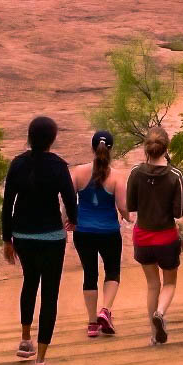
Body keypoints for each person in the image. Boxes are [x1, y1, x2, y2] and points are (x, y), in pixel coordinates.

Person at [2, 116, 77, 365]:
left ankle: (25, 339)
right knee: (50, 294)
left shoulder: (17, 164)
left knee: (29, 283)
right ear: (52, 138)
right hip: (51, 236)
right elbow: (70, 199)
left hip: (22, 234)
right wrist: (73, 222)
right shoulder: (58, 166)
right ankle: (41, 360)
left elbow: (7, 203)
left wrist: (6, 238)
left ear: (29, 136)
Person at [121, 126, 183, 346]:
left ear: (146, 148)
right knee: (169, 283)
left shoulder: (135, 173)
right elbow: (179, 212)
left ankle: (153, 333)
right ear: (166, 148)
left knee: (152, 285)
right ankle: (160, 312)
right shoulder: (174, 176)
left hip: (143, 236)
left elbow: (131, 206)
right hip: (166, 236)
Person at [70, 129, 125, 338]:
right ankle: (106, 310)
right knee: (112, 272)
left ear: (92, 148)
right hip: (109, 231)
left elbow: (67, 200)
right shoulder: (117, 176)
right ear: (111, 149)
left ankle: (92, 323)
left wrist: (69, 220)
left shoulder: (77, 172)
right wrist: (130, 217)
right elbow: (123, 207)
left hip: (83, 231)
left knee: (90, 274)